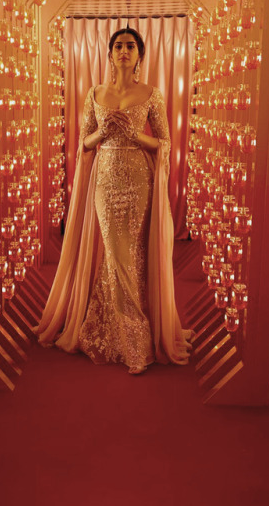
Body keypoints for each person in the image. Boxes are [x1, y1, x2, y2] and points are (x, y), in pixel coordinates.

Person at [35, 28, 192, 374]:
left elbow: (164, 144)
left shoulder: (152, 94)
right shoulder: (95, 93)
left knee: (132, 254)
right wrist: (105, 132)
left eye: (130, 46)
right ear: (109, 54)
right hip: (105, 181)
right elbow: (84, 143)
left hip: (139, 182)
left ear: (140, 55)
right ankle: (127, 337)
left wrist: (135, 134)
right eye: (118, 45)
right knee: (115, 251)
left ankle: (132, 336)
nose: (124, 50)